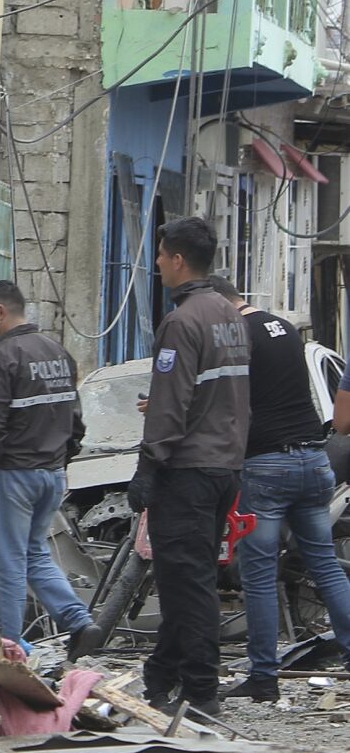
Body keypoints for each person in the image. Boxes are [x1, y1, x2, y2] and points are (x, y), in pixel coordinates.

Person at [131, 217, 251, 715]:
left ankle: (201, 692)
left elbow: (169, 404)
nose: (157, 263)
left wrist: (148, 465)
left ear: (178, 260)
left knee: (188, 584)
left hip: (188, 470)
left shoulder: (182, 322)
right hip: (224, 467)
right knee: (188, 579)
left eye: (161, 254)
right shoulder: (228, 314)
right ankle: (161, 677)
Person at [209, 278, 350, 700]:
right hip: (314, 460)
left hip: (267, 465)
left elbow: (223, 399)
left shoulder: (236, 334)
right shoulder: (284, 327)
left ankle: (264, 677)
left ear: (219, 304)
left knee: (259, 574)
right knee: (324, 564)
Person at [0, 280, 100, 658]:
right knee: (35, 554)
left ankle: (7, 647)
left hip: (14, 475)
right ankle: (79, 622)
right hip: (52, 474)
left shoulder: (1, 359)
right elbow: (76, 420)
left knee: (7, 562)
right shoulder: (58, 353)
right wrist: (61, 460)